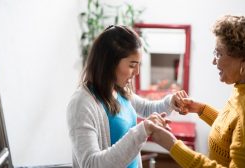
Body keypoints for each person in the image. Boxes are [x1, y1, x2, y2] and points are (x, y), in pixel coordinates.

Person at [150, 15, 245, 167]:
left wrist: (173, 146)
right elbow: (241, 130)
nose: (213, 61)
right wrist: (202, 110)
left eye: (219, 53)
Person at [66, 25, 181, 168]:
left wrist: (171, 101)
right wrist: (142, 131)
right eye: (132, 65)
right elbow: (91, 164)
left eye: (139, 65)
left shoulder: (119, 90)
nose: (137, 72)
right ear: (109, 62)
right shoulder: (81, 104)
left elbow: (147, 109)